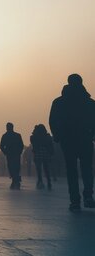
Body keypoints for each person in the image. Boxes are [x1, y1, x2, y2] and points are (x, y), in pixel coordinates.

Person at [49, 74, 95, 211]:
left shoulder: (59, 102)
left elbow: (53, 120)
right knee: (87, 168)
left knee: (71, 170)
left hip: (68, 140)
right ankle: (88, 196)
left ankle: (75, 200)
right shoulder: (89, 102)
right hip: (85, 138)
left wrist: (58, 136)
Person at [0, 122, 24, 190]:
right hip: (16, 154)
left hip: (10, 154)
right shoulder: (17, 135)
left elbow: (1, 146)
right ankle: (16, 181)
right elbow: (21, 145)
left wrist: (5, 152)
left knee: (11, 168)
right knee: (16, 168)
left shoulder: (5, 136)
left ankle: (14, 181)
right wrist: (19, 152)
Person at [30, 124, 54, 190]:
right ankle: (49, 182)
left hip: (38, 153)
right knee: (46, 169)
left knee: (39, 169)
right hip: (46, 153)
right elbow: (50, 145)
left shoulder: (35, 137)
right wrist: (51, 153)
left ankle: (40, 181)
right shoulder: (47, 137)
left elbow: (32, 141)